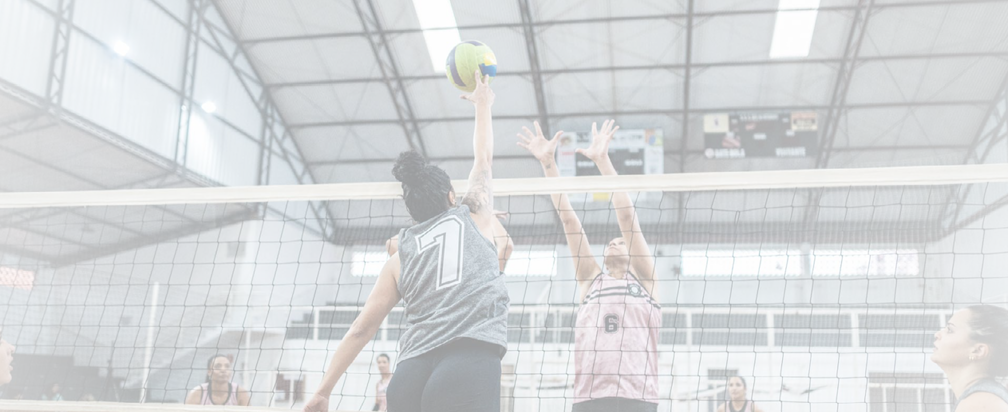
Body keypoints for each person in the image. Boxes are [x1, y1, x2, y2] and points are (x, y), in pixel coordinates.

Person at [304, 71, 509, 412]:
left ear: (412, 211)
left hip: (408, 374)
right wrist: (483, 104)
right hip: (467, 362)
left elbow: (361, 328)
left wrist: (324, 391)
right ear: (451, 196)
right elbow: (483, 157)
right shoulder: (474, 214)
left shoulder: (399, 255)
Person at [517, 119, 661, 411]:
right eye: (610, 242)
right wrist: (548, 164)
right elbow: (568, 219)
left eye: (620, 242)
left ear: (633, 253)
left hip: (639, 397)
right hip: (589, 397)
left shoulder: (646, 282)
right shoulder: (590, 280)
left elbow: (627, 219)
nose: (613, 243)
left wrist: (603, 161)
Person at [932, 305, 1008, 411]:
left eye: (950, 330)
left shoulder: (978, 404)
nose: (937, 334)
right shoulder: (981, 398)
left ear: (978, 351)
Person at [184, 354, 251, 406]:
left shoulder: (240, 393)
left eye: (227, 366)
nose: (223, 370)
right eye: (218, 366)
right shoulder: (197, 393)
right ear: (209, 372)